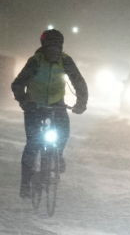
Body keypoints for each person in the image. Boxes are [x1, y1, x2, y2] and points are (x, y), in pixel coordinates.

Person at [11, 29, 88, 198]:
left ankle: (58, 154)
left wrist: (81, 103)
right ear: (44, 48)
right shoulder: (35, 62)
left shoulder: (66, 61)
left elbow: (79, 82)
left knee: (64, 132)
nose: (54, 52)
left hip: (56, 103)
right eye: (50, 48)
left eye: (57, 48)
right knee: (33, 144)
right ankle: (25, 184)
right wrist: (24, 101)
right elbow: (17, 84)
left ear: (61, 48)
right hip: (34, 105)